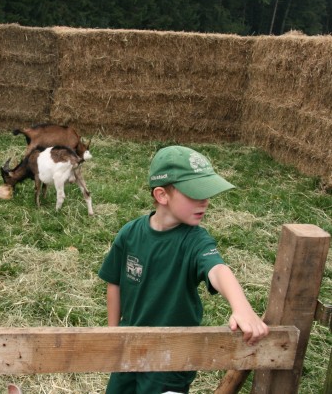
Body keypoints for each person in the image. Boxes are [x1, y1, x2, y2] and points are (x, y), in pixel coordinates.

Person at [98, 145, 268, 394]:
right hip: (128, 347)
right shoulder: (130, 234)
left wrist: (241, 308)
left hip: (172, 356)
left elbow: (218, 269)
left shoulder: (196, 241)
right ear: (162, 195)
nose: (205, 202)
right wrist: (113, 334)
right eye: (195, 194)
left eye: (207, 194)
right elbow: (115, 283)